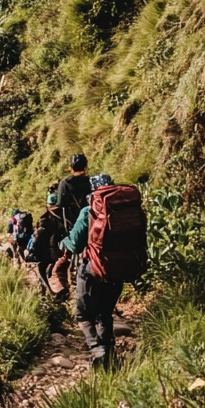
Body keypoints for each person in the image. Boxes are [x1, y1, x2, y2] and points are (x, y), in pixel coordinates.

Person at [60, 173, 122, 370]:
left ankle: (97, 350)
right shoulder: (123, 210)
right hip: (117, 269)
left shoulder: (89, 211)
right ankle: (110, 355)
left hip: (92, 269)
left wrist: (64, 242)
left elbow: (75, 244)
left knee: (83, 314)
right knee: (105, 313)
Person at [52, 154, 92, 295]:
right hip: (91, 221)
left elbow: (60, 205)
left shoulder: (65, 183)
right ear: (86, 167)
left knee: (72, 251)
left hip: (72, 222)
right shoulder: (90, 181)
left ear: (70, 167)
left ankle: (72, 283)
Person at [32, 193, 64, 293]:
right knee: (50, 268)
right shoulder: (64, 214)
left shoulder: (44, 219)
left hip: (46, 250)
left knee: (42, 268)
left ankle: (49, 290)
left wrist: (34, 249)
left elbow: (38, 237)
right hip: (60, 248)